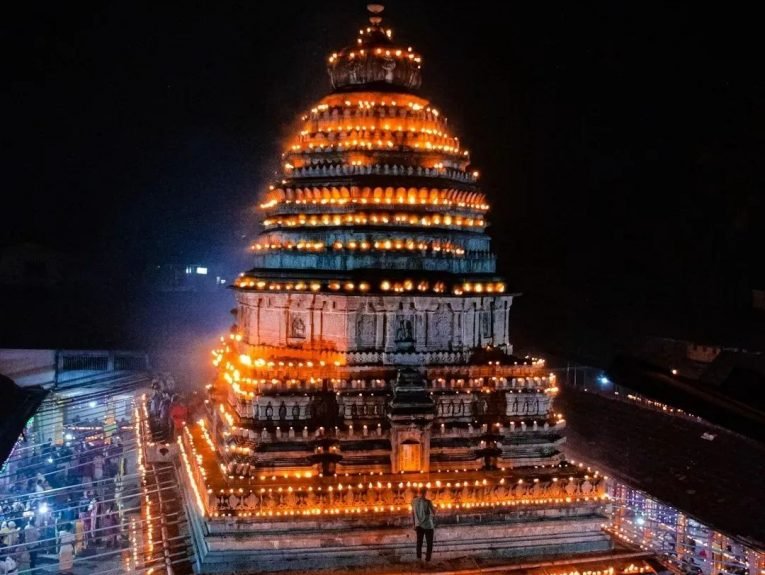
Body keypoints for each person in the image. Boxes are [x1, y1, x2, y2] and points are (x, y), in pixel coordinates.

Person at [411, 487, 436, 563]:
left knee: (419, 543)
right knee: (429, 543)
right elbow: (434, 512)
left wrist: (414, 523)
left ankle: (419, 559)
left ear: (419, 492)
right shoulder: (428, 502)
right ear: (425, 493)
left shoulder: (413, 501)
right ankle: (427, 561)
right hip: (428, 525)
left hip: (418, 525)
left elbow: (412, 513)